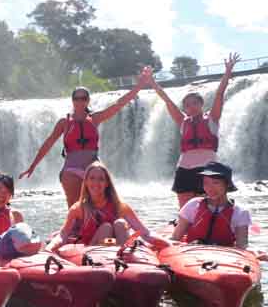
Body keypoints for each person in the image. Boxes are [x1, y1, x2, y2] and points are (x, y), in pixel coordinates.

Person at [20, 67, 153, 208]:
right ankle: (74, 229)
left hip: (93, 167)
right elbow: (48, 144)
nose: (80, 101)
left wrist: (139, 86)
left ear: (88, 101)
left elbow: (118, 105)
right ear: (72, 101)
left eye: (83, 98)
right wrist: (32, 166)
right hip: (71, 168)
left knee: (102, 204)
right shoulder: (64, 122)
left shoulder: (95, 118)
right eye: (77, 98)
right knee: (75, 206)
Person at [148, 53, 241, 209]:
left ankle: (210, 225)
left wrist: (227, 72)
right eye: (188, 105)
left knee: (206, 205)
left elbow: (219, 94)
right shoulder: (183, 122)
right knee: (185, 207)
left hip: (207, 168)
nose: (192, 107)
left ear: (201, 104)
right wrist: (152, 82)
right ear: (185, 108)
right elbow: (167, 100)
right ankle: (184, 227)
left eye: (195, 103)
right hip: (184, 168)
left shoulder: (212, 119)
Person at [45, 162, 171, 251]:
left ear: (106, 184)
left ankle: (125, 259)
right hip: (92, 249)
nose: (96, 183)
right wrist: (49, 248)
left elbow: (145, 233)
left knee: (120, 224)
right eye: (92, 178)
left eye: (101, 179)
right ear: (86, 182)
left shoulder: (120, 206)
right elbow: (63, 235)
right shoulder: (78, 208)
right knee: (106, 228)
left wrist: (169, 245)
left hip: (116, 245)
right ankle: (112, 258)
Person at [171, 162, 251, 249]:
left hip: (223, 257)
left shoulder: (240, 212)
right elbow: (175, 238)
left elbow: (242, 246)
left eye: (215, 183)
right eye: (206, 183)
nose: (210, 188)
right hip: (192, 254)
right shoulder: (193, 205)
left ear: (227, 184)